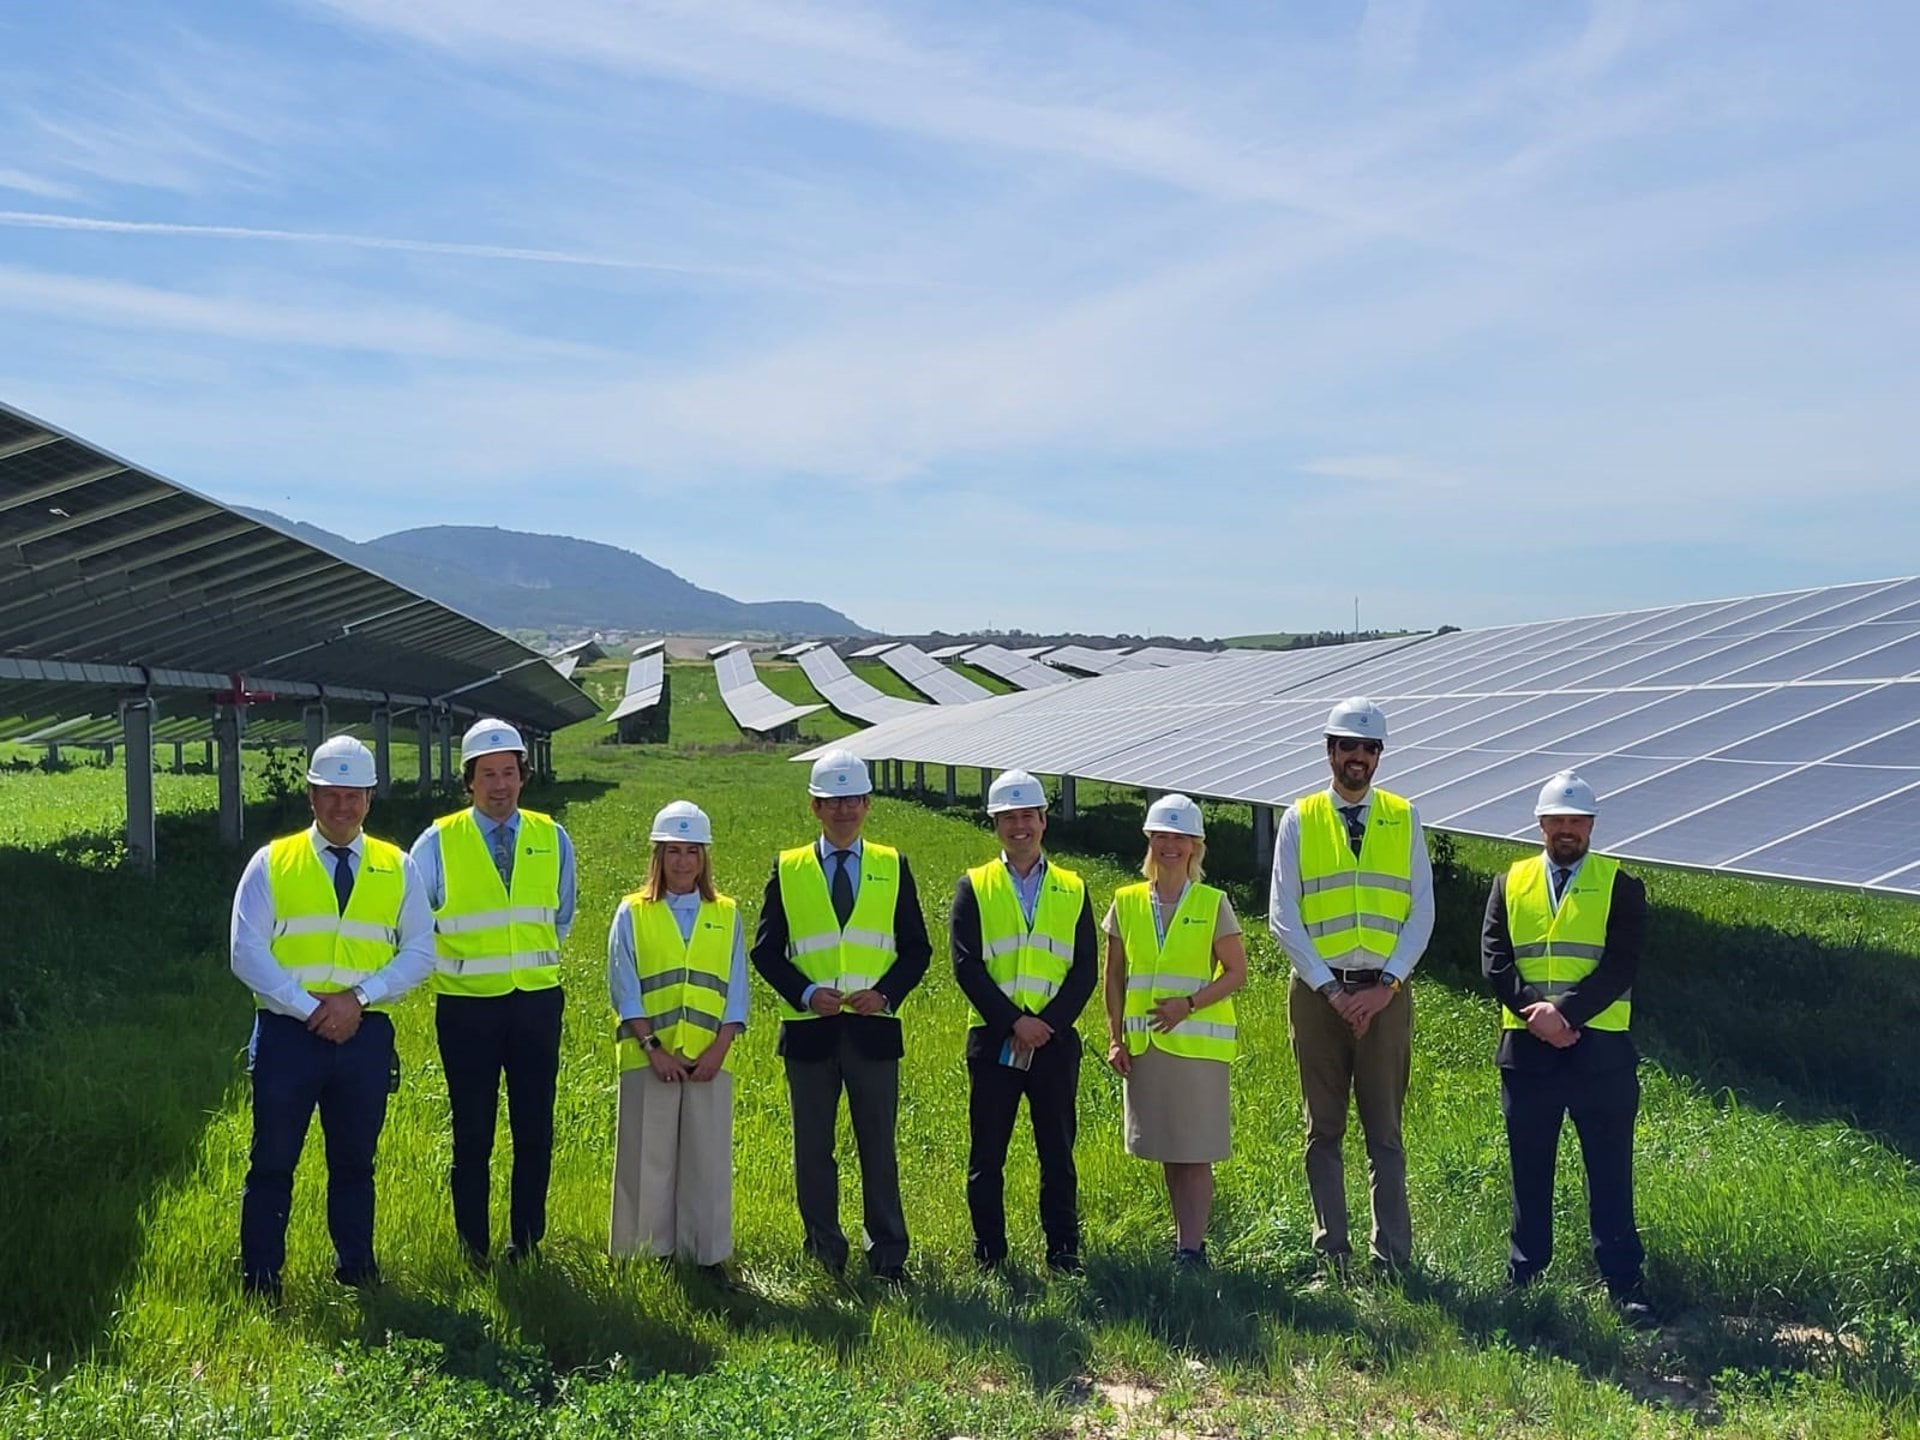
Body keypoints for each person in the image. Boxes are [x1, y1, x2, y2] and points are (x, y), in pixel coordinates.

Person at [230, 734, 435, 1301]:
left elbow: (421, 950)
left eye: (354, 795)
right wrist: (312, 1008)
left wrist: (359, 999)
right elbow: (245, 952)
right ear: (312, 796)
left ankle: (356, 1270)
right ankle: (261, 1279)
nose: (342, 807)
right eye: (330, 795)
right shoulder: (272, 861)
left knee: (354, 1163)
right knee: (272, 1161)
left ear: (370, 798)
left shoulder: (397, 866)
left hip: (363, 1035)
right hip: (287, 1037)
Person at [749, 748, 932, 1283]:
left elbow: (916, 948)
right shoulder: (789, 868)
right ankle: (824, 1252)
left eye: (853, 800)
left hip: (873, 1030)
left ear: (868, 804)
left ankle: (889, 1256)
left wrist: (887, 993)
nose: (844, 810)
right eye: (833, 802)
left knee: (879, 1147)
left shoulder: (892, 865)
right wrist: (805, 993)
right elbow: (765, 951)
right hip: (811, 1034)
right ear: (815, 807)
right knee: (814, 1152)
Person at [1268, 697, 1434, 1275]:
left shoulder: (1404, 816)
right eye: (1347, 747)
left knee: (1385, 1129)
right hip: (1319, 996)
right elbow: (1283, 915)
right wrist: (1332, 990)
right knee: (1324, 1126)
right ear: (1330, 752)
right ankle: (1330, 1252)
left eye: (1368, 748)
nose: (1357, 758)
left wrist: (1386, 984)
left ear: (1379, 756)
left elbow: (1422, 911)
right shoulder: (1300, 818)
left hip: (1385, 995)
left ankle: (1392, 1256)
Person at [1483, 770, 1652, 1323]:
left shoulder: (1620, 885)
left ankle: (1624, 1281)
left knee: (1609, 1170)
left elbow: (1621, 965)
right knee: (1529, 1169)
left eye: (1576, 820)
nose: (1566, 830)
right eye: (1556, 820)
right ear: (1541, 825)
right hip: (1529, 1053)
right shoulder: (1509, 882)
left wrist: (1566, 1015)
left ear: (1591, 826)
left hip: (1599, 1053)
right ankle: (1525, 1274)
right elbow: (1495, 961)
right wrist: (1539, 1015)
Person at [409, 718, 577, 1266]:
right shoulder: (436, 842)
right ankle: (473, 1246)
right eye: (488, 774)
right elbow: (414, 924)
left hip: (535, 1002)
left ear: (523, 777)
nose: (499, 785)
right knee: (472, 1132)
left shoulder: (553, 838)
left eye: (509, 772)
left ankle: (526, 1242)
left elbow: (562, 916)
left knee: (535, 1129)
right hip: (466, 1009)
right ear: (469, 781)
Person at [950, 769, 1097, 1274]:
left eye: (1027, 816)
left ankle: (1063, 1254)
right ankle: (989, 1254)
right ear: (995, 823)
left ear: (1043, 820)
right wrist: (1015, 1022)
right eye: (1008, 817)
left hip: (1053, 1044)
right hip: (993, 1040)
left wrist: (1046, 1025)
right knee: (987, 1155)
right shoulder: (973, 885)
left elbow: (1084, 970)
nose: (1019, 826)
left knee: (1058, 1154)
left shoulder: (1073, 888)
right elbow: (966, 965)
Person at [1102, 794, 1248, 1267]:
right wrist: (1115, 1038)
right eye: (1161, 836)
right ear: (1150, 841)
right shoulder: (1125, 902)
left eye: (1179, 837)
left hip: (1197, 1048)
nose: (1170, 845)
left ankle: (1192, 1247)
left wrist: (1189, 1004)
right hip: (1146, 1045)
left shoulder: (1212, 903)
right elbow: (1114, 977)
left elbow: (1235, 972)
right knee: (1169, 1148)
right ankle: (1183, 1240)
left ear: (1194, 846)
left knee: (1195, 1150)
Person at [607, 801, 748, 1269]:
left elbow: (736, 990)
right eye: (673, 851)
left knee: (706, 1162)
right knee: (647, 1159)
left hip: (710, 1057)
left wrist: (718, 1050)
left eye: (692, 851)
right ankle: (647, 1256)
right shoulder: (633, 912)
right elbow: (624, 987)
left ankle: (705, 1257)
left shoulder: (726, 913)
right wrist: (653, 1049)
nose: (683, 861)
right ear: (658, 856)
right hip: (650, 1056)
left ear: (704, 857)